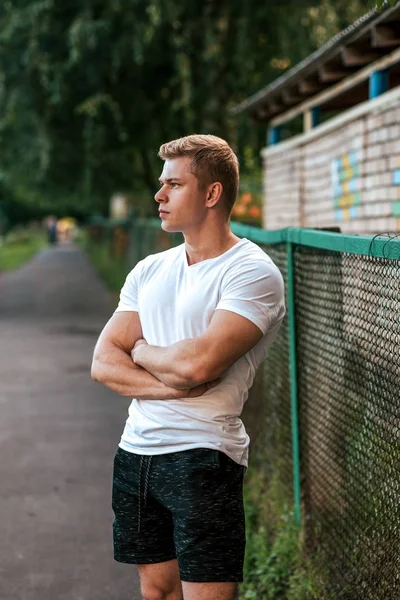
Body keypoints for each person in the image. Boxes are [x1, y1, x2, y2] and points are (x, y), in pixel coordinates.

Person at [91, 134, 286, 600]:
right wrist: (171, 386)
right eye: (162, 184)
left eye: (174, 185)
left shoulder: (251, 272)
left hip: (204, 455)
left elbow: (198, 364)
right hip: (136, 452)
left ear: (212, 194)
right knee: (156, 592)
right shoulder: (149, 269)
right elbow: (103, 362)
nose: (159, 195)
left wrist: (140, 351)